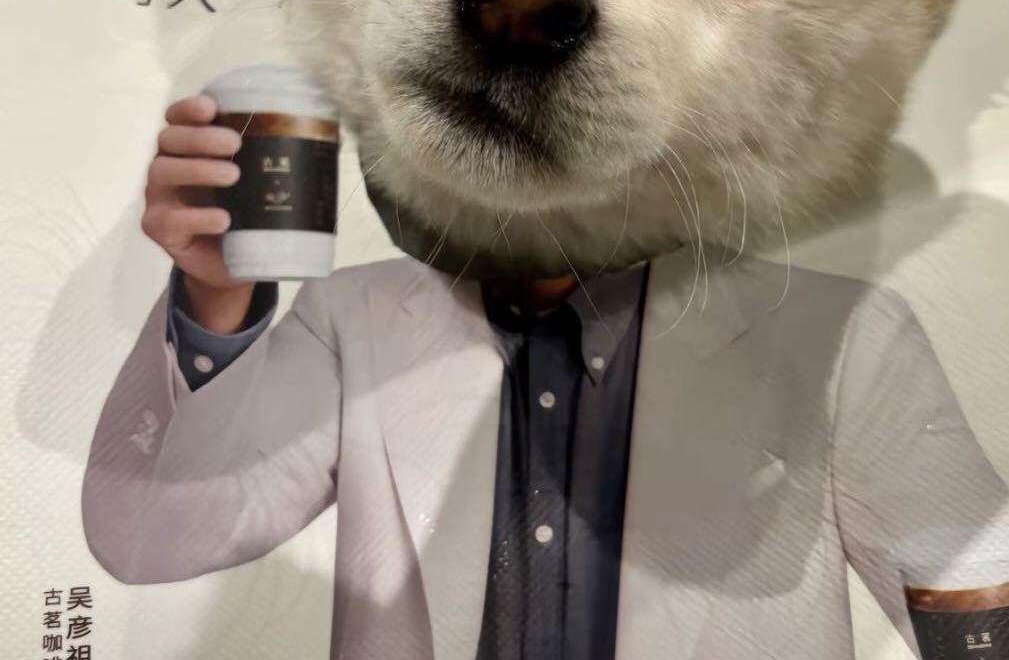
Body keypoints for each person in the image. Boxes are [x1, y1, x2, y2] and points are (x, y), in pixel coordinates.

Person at [82, 93, 1009, 660]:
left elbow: (978, 608)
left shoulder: (838, 335)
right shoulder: (352, 316)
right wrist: (214, 295)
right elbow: (147, 538)